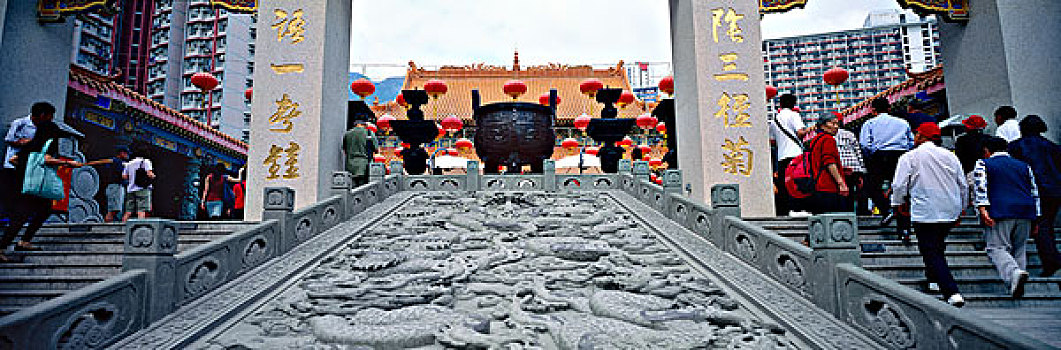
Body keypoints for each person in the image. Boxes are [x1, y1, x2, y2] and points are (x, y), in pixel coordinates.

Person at [891, 122, 968, 307]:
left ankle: (951, 291)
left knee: (931, 250)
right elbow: (963, 184)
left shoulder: (910, 157)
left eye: (916, 134)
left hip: (925, 209)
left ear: (921, 136)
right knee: (938, 245)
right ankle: (933, 279)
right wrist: (962, 207)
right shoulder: (950, 156)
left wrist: (897, 203)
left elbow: (899, 185)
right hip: (949, 208)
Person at [0, 120, 82, 261]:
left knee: (34, 213)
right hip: (38, 187)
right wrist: (67, 163)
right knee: (29, 215)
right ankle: (8, 245)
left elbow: (14, 159)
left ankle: (23, 241)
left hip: (27, 185)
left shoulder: (30, 144)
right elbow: (46, 159)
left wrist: (27, 171)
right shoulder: (49, 143)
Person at [973, 137, 1038, 297]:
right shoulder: (1024, 166)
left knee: (996, 247)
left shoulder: (983, 163)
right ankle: (1017, 283)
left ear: (987, 150)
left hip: (1000, 209)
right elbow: (1034, 191)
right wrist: (1037, 217)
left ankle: (1013, 274)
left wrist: (982, 209)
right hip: (1025, 210)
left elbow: (980, 186)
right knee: (1019, 248)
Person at [1007, 115, 1061, 277]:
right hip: (1055, 190)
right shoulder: (1052, 147)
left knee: (1040, 226)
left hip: (1032, 190)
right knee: (1047, 224)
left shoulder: (1015, 147)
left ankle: (1051, 260)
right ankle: (1052, 258)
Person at [860, 98, 914, 237]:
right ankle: (904, 228)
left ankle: (886, 210)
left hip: (880, 156)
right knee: (901, 188)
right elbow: (911, 142)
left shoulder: (870, 123)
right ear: (889, 109)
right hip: (900, 156)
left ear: (873, 110)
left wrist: (872, 154)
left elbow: (865, 144)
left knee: (871, 186)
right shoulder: (902, 123)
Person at [2, 103, 52, 219]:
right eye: (49, 116)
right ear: (42, 115)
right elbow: (9, 139)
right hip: (12, 165)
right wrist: (25, 143)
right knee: (9, 192)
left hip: (29, 167)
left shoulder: (42, 128)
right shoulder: (19, 123)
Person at [770, 94, 812, 216]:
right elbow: (800, 132)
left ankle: (785, 210)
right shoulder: (794, 115)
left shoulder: (774, 121)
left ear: (780, 104)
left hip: (782, 157)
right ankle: (799, 209)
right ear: (794, 104)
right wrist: (805, 131)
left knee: (784, 184)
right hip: (796, 155)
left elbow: (772, 141)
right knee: (799, 182)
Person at [805, 114, 850, 213]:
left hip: (817, 186)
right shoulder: (828, 139)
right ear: (822, 125)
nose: (836, 127)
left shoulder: (815, 140)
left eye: (837, 124)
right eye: (832, 123)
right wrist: (841, 183)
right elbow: (829, 162)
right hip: (829, 186)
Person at [832, 112, 868, 214]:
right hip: (854, 167)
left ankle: (846, 214)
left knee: (843, 193)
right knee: (855, 192)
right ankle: (862, 213)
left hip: (840, 168)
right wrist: (862, 170)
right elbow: (858, 152)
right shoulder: (849, 134)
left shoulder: (830, 136)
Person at [85, 146, 130, 222]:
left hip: (119, 186)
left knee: (118, 210)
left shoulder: (121, 163)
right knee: (113, 210)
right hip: (114, 186)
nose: (127, 155)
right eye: (125, 153)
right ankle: (106, 225)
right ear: (121, 153)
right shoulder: (115, 161)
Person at [122, 144, 156, 221]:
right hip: (142, 189)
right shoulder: (146, 161)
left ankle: (122, 226)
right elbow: (149, 174)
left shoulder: (129, 163)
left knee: (128, 211)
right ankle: (140, 227)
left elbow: (124, 176)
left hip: (130, 189)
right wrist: (154, 176)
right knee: (141, 210)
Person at [342, 121, 375, 187]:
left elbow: (344, 148)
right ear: (363, 125)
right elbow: (375, 148)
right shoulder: (369, 133)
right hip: (364, 165)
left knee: (351, 187)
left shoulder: (347, 134)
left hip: (350, 164)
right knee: (362, 188)